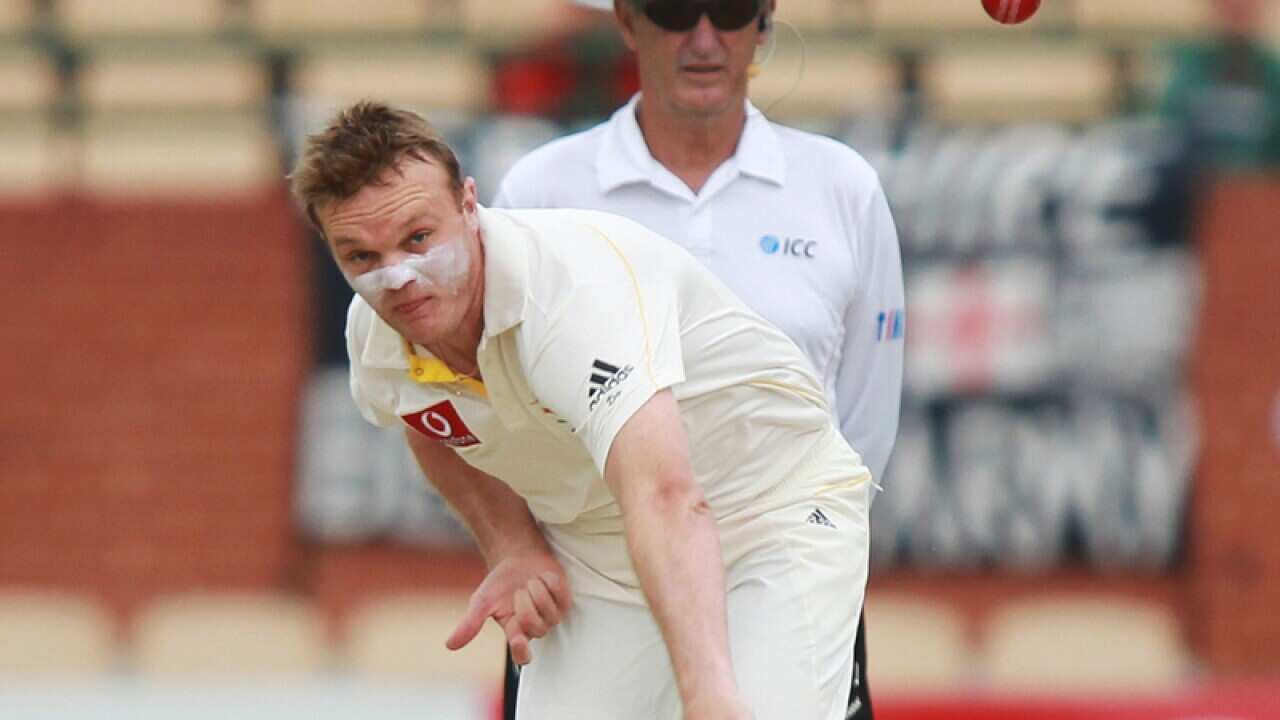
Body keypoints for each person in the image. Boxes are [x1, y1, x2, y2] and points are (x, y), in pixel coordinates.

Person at [291, 100, 873, 720]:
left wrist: (707, 696)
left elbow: (666, 497)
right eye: (361, 257)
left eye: (418, 238)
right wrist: (511, 544)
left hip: (771, 512)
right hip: (599, 550)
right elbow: (429, 424)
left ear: (468, 205)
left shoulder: (572, 292)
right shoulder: (377, 339)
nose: (398, 278)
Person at [491, 1, 905, 717]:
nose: (705, 38)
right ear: (628, 21)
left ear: (765, 20)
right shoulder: (540, 191)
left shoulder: (841, 187)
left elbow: (865, 417)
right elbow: (488, 405)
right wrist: (513, 545)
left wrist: (810, 548)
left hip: (781, 572)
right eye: (677, 8)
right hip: (593, 577)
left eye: (734, 7)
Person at [1159, 0, 1280, 170]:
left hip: (1261, 189)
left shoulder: (1273, 74)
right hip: (1195, 186)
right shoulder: (1189, 68)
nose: (1238, 5)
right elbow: (1168, 135)